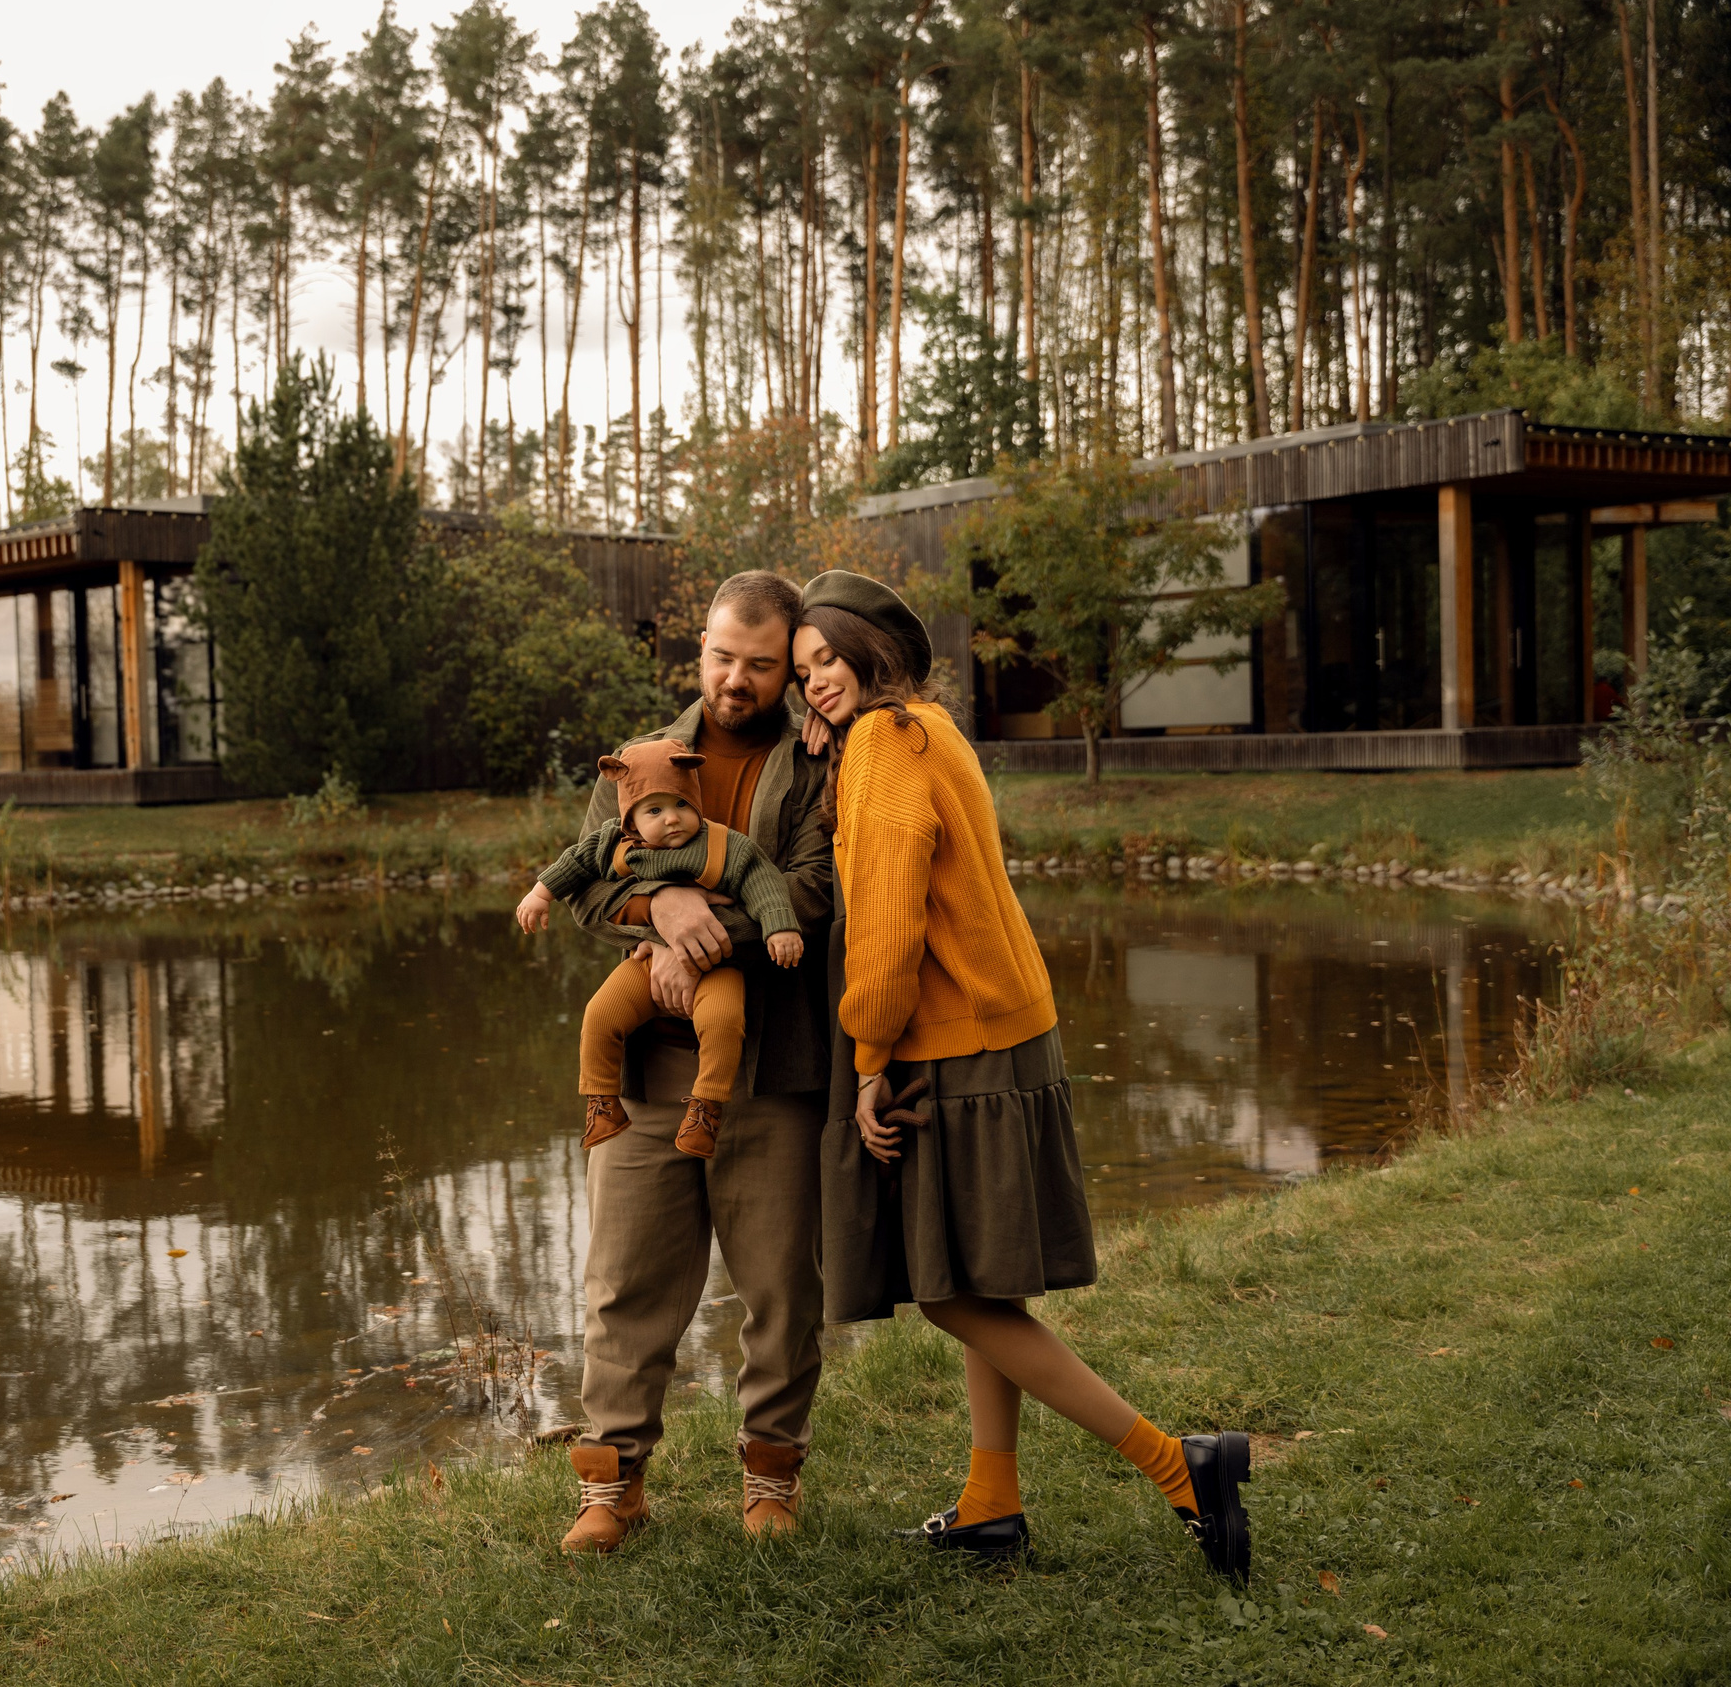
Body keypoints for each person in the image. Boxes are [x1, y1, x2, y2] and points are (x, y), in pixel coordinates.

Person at [796, 567, 1255, 1583]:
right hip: (1007, 1026)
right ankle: (991, 1502)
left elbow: (884, 914)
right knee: (977, 1273)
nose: (814, 682)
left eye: (825, 658)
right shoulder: (929, 728)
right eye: (803, 672)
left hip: (951, 1040)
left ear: (870, 653)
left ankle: (1177, 1466)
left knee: (950, 1290)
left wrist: (868, 1058)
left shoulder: (880, 742)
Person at [555, 571, 835, 1553]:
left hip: (771, 1073)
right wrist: (651, 911)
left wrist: (694, 924)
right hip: (642, 1082)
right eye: (722, 656)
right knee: (623, 1287)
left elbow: (811, 890)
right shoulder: (639, 762)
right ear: (700, 650)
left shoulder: (814, 768)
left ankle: (770, 1480)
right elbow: (587, 883)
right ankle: (612, 1487)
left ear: (786, 667)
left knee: (781, 1293)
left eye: (761, 665)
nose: (735, 680)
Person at [517, 738, 806, 1158]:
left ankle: (706, 1107)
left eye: (681, 805)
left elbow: (764, 884)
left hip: (720, 964)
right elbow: (575, 864)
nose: (672, 819)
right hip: (648, 963)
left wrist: (780, 928)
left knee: (724, 1021)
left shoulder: (725, 846)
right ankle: (601, 1101)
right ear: (630, 818)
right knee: (600, 1014)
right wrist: (541, 894)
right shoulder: (615, 844)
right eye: (655, 810)